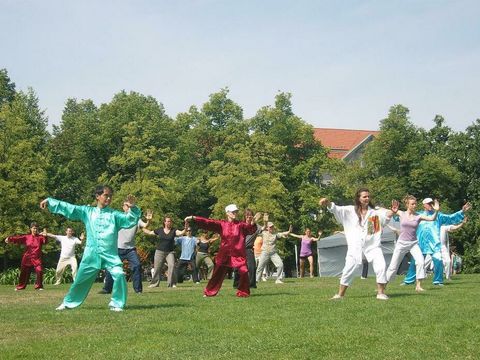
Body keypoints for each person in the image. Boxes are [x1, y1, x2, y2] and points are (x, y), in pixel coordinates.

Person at [40, 185, 141, 311]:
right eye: (106, 195)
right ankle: (68, 303)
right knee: (80, 280)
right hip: (91, 254)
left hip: (110, 254)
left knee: (119, 275)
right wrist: (50, 202)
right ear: (97, 196)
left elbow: (130, 220)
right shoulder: (87, 212)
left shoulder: (114, 215)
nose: (108, 198)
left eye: (110, 196)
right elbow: (70, 208)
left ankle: (117, 304)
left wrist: (133, 208)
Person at [319, 188, 393, 300]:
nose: (367, 198)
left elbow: (385, 217)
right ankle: (340, 294)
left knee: (381, 266)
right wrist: (328, 202)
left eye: (368, 196)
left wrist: (392, 211)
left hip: (372, 245)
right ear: (358, 198)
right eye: (364, 196)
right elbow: (336, 209)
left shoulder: (374, 213)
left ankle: (381, 293)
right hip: (355, 246)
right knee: (349, 268)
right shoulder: (349, 211)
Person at [185, 204, 260, 297]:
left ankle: (243, 292)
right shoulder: (222, 224)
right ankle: (209, 292)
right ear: (227, 213)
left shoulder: (241, 225)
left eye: (236, 212)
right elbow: (208, 222)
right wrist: (193, 218)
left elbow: (250, 230)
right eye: (233, 212)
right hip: (224, 254)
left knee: (244, 271)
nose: (235, 213)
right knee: (217, 274)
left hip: (238, 255)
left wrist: (253, 223)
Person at [403, 198, 471, 286]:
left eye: (432, 203)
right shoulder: (418, 215)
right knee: (415, 262)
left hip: (434, 243)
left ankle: (438, 281)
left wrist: (462, 211)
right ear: (424, 205)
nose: (431, 205)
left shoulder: (438, 216)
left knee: (438, 261)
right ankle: (408, 281)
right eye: (428, 204)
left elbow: (450, 218)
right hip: (420, 243)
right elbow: (405, 218)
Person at [386, 196, 439, 292]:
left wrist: (436, 211)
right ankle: (383, 285)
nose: (415, 205)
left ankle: (418, 286)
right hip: (401, 243)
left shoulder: (418, 216)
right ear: (407, 205)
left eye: (415, 203)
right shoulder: (401, 213)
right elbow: (389, 213)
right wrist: (393, 211)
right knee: (393, 265)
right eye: (412, 204)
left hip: (413, 243)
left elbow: (432, 218)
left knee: (420, 262)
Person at [99, 206, 152, 295]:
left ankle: (138, 290)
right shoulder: (119, 217)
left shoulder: (136, 219)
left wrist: (149, 220)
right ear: (123, 207)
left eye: (130, 206)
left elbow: (146, 225)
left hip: (130, 249)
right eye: (126, 206)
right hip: (118, 248)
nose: (128, 207)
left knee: (137, 266)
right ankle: (107, 289)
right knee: (110, 268)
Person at [143, 216, 185, 288]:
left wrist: (186, 228)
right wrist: (142, 228)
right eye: (167, 221)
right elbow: (150, 232)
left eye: (170, 221)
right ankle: (154, 284)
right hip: (159, 251)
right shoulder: (160, 230)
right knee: (157, 268)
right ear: (164, 222)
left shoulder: (174, 230)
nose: (169, 223)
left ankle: (172, 284)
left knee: (172, 266)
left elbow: (181, 233)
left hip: (170, 252)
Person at [5, 222, 48, 291]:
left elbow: (45, 242)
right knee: (23, 273)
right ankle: (20, 287)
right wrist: (9, 239)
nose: (35, 230)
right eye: (34, 228)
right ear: (31, 229)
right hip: (27, 257)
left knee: (39, 270)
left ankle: (39, 286)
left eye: (36, 228)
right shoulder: (26, 237)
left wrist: (45, 235)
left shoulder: (40, 237)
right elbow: (18, 239)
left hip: (36, 258)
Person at [256, 214, 292, 284]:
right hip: (264, 252)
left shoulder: (276, 234)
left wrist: (289, 231)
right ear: (267, 228)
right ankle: (257, 279)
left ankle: (278, 279)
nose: (271, 228)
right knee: (260, 266)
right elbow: (257, 227)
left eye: (272, 227)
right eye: (270, 227)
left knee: (280, 265)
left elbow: (283, 233)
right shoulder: (263, 233)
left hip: (273, 253)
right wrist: (261, 221)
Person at [233, 210, 263, 289]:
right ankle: (236, 284)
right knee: (237, 268)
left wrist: (264, 221)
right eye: (247, 215)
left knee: (252, 267)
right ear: (244, 216)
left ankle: (252, 284)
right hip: (239, 248)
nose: (249, 217)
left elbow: (263, 228)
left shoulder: (257, 226)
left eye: (250, 215)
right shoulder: (241, 224)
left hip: (248, 249)